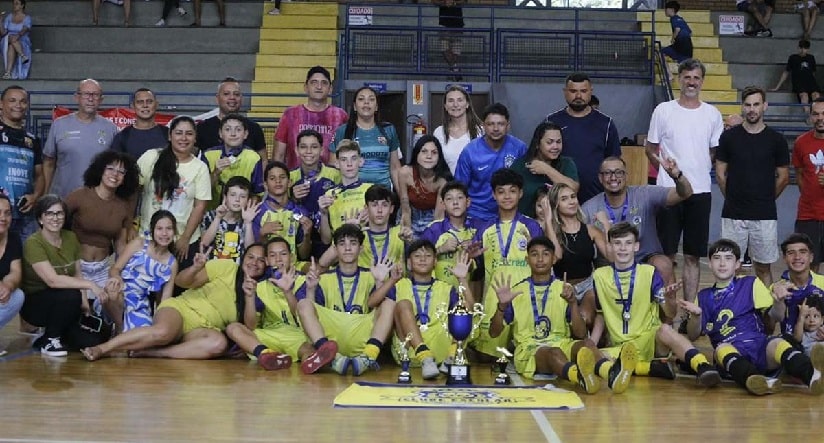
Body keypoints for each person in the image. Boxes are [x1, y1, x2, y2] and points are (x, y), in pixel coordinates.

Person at [490, 236, 637, 393]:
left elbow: (580, 334)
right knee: (554, 353)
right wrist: (501, 307)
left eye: (545, 254)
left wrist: (573, 303)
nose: (540, 259)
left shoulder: (564, 290)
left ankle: (611, 373)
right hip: (530, 349)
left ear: (554, 259)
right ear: (527, 259)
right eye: (534, 254)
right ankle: (581, 377)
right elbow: (494, 332)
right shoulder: (517, 292)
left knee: (587, 344)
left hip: (561, 343)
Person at [680, 239, 824, 396]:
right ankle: (756, 380)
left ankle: (813, 376)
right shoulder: (703, 296)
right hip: (732, 350)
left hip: (759, 345)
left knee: (778, 343)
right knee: (721, 349)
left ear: (737, 264)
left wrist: (778, 302)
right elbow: (693, 335)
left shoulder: (751, 283)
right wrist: (696, 316)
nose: (722, 263)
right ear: (709, 263)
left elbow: (776, 316)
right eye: (717, 258)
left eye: (728, 258)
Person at [81, 243, 267, 361]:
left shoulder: (263, 290)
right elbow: (181, 282)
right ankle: (102, 348)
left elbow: (249, 326)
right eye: (251, 257)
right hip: (181, 310)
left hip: (204, 328)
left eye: (260, 260)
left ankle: (154, 353)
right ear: (243, 258)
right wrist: (195, 268)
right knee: (163, 332)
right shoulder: (227, 268)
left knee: (218, 344)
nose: (254, 262)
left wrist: (250, 296)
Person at [593, 222, 721, 386]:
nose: (623, 248)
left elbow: (670, 313)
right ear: (610, 247)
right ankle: (650, 369)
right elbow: (600, 313)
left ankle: (702, 365)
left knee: (665, 329)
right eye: (617, 243)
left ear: (636, 246)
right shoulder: (599, 276)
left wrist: (669, 299)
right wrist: (592, 343)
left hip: (651, 342)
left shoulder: (649, 272)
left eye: (628, 243)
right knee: (590, 355)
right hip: (622, 347)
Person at [646, 58, 723, 308]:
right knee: (666, 255)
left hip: (700, 192)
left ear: (702, 81)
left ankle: (690, 311)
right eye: (687, 77)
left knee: (692, 256)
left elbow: (713, 152)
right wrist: (667, 174)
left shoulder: (712, 114)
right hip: (668, 193)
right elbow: (650, 149)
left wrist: (696, 170)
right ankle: (667, 309)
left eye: (696, 78)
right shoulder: (663, 110)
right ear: (679, 79)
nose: (691, 82)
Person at [223, 237, 338, 373]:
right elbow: (251, 325)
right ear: (266, 260)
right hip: (271, 335)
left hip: (298, 334)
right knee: (233, 328)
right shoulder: (259, 287)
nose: (278, 259)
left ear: (291, 257)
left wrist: (288, 291)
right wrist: (249, 296)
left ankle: (314, 361)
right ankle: (266, 354)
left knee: (307, 350)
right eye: (272, 255)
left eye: (283, 254)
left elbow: (302, 318)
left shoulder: (304, 281)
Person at [296, 224, 397, 375]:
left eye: (353, 243)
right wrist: (311, 289)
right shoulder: (321, 278)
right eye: (342, 244)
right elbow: (309, 315)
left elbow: (384, 312)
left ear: (361, 249)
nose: (348, 248)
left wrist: (379, 283)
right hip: (331, 338)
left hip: (362, 335)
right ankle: (330, 356)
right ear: (335, 250)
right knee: (304, 304)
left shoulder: (374, 274)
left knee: (389, 304)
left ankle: (368, 356)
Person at [716, 86, 790, 287]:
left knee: (764, 268)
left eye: (756, 104)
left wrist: (765, 198)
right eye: (747, 105)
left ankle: (765, 315)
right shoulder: (729, 138)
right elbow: (720, 173)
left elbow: (783, 177)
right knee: (730, 267)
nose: (752, 109)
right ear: (742, 107)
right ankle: (730, 313)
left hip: (764, 214)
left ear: (764, 106)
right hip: (733, 213)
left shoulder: (776, 140)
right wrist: (731, 196)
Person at [581, 156, 691, 287]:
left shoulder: (645, 194)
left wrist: (677, 176)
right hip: (609, 265)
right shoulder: (589, 208)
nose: (613, 177)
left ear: (626, 175)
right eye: (607, 173)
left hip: (645, 259)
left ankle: (667, 306)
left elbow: (685, 193)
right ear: (600, 178)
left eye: (619, 172)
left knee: (664, 264)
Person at [21, 195, 105, 357]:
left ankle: (48, 338)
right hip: (35, 303)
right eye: (49, 214)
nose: (55, 218)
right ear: (40, 219)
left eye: (59, 213)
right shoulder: (33, 243)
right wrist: (90, 285)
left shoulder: (70, 237)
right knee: (70, 295)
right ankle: (50, 339)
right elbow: (52, 281)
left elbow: (77, 273)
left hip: (64, 301)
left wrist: (84, 302)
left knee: (94, 340)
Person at [473, 168, 543, 359]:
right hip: (495, 298)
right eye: (501, 191)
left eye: (512, 191)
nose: (507, 196)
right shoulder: (484, 229)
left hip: (526, 298)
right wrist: (472, 258)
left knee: (532, 354)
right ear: (494, 195)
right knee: (487, 358)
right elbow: (476, 272)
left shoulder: (531, 226)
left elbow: (543, 263)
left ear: (520, 193)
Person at [380, 239, 472, 379]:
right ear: (409, 263)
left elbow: (471, 309)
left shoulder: (446, 288)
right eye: (417, 256)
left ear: (435, 262)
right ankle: (425, 356)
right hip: (409, 352)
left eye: (428, 256)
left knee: (463, 309)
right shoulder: (398, 285)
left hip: (443, 354)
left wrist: (462, 279)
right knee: (403, 304)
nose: (423, 259)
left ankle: (452, 357)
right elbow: (372, 303)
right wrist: (385, 281)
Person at [65, 150, 140, 315]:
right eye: (111, 169)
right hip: (76, 266)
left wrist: (119, 273)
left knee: (117, 300)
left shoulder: (123, 207)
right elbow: (56, 223)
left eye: (121, 172)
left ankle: (120, 335)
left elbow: (120, 245)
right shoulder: (79, 196)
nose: (115, 174)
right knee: (75, 310)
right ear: (101, 170)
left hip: (102, 269)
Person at [137, 116, 211, 269]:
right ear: (170, 136)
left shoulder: (200, 167)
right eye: (179, 133)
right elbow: (132, 192)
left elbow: (200, 206)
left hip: (183, 241)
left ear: (195, 138)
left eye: (189, 134)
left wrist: (184, 238)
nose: (184, 138)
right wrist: (129, 225)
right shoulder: (151, 157)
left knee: (179, 289)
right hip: (148, 237)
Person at [547, 182, 610, 343]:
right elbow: (557, 257)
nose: (571, 201)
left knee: (585, 317)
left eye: (573, 197)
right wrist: (548, 222)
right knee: (566, 326)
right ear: (556, 205)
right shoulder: (553, 232)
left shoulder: (590, 230)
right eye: (564, 199)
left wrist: (606, 226)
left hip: (587, 284)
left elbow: (612, 257)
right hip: (562, 285)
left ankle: (592, 344)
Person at [545, 73, 621, 203]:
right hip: (560, 197)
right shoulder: (551, 122)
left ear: (591, 92)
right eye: (573, 91)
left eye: (583, 91)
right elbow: (542, 158)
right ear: (565, 92)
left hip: (597, 198)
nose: (578, 96)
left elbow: (614, 162)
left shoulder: (606, 123)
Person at [101, 210, 177, 334]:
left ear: (174, 231)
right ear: (152, 230)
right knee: (112, 292)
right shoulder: (139, 244)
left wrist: (160, 323)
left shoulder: (172, 263)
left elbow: (165, 300)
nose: (164, 233)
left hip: (139, 303)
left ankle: (125, 333)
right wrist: (117, 279)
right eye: (159, 228)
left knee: (141, 338)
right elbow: (115, 269)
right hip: (120, 290)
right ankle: (120, 329)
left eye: (169, 229)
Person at [44, 79, 118, 199]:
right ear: (76, 97)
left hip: (96, 201)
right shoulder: (59, 125)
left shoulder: (111, 129)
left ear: (101, 99)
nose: (90, 98)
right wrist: (46, 194)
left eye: (95, 95)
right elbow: (48, 163)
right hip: (62, 200)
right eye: (86, 94)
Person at [454, 103, 527, 220]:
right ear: (483, 126)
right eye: (490, 124)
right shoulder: (470, 151)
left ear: (508, 125)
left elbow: (525, 183)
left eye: (501, 124)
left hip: (511, 215)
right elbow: (459, 189)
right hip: (476, 215)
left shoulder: (519, 148)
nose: (496, 128)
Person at [274, 66, 348, 169]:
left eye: (324, 83)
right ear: (306, 87)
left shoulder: (341, 116)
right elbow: (279, 155)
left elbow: (348, 151)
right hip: (295, 180)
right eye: (314, 82)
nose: (319, 87)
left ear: (330, 89)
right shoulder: (290, 114)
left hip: (331, 181)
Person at [330, 86, 401, 190]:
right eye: (361, 99)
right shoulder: (342, 131)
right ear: (354, 106)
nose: (366, 102)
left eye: (371, 99)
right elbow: (333, 166)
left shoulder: (389, 130)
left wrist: (404, 200)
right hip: (352, 194)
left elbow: (395, 167)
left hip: (383, 195)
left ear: (376, 107)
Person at [510, 121, 579, 218]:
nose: (555, 146)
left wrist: (547, 170)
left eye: (558, 142)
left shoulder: (566, 163)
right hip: (525, 225)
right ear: (537, 144)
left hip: (559, 226)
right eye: (549, 142)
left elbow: (573, 189)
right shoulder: (520, 165)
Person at [290, 129, 341, 259]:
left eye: (314, 147)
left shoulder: (335, 175)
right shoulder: (289, 178)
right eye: (303, 147)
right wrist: (292, 197)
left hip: (328, 237)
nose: (308, 151)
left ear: (322, 150)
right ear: (296, 150)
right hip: (300, 238)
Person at [421, 181, 484, 289]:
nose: (455, 202)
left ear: (468, 202)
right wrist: (440, 249)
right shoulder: (434, 229)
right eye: (449, 199)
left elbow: (485, 268)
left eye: (460, 198)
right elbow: (419, 261)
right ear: (443, 204)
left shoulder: (479, 228)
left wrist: (472, 256)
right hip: (438, 292)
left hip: (468, 292)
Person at [0, 85, 43, 241]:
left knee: (26, 262)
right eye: (12, 100)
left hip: (24, 214)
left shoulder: (32, 139)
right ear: (1, 104)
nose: (18, 105)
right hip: (1, 212)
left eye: (23, 101)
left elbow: (39, 175)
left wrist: (35, 196)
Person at [251, 161, 312, 262]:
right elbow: (254, 255)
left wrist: (307, 235)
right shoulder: (256, 212)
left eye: (282, 177)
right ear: (265, 185)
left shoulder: (301, 213)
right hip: (267, 270)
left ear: (289, 182)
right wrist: (262, 235)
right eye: (272, 178)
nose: (278, 181)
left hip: (293, 268)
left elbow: (304, 255)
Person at [203, 113, 265, 209]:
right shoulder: (208, 155)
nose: (233, 134)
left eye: (238, 129)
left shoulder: (253, 158)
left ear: (245, 134)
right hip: (211, 211)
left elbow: (258, 194)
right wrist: (215, 173)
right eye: (227, 129)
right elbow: (201, 191)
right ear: (220, 134)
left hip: (241, 214)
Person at [196, 78, 266, 161]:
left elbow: (263, 160)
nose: (232, 97)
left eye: (236, 94)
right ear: (217, 98)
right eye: (226, 94)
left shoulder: (254, 128)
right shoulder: (202, 128)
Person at [770, 233, 824, 342]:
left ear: (811, 257)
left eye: (803, 252)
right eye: (791, 253)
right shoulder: (778, 287)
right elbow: (770, 326)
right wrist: (778, 302)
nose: (797, 257)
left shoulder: (822, 283)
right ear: (784, 258)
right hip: (791, 344)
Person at [318, 139, 372, 245]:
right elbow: (326, 240)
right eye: (344, 160)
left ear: (361, 161)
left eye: (353, 158)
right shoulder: (328, 196)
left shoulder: (371, 190)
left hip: (367, 253)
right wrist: (323, 214)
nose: (349, 164)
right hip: (338, 254)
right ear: (337, 164)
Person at [398, 135, 452, 239]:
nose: (429, 156)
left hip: (431, 217)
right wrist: (407, 231)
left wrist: (435, 237)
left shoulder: (442, 180)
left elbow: (438, 216)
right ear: (416, 154)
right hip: (409, 215)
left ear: (439, 157)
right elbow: (405, 209)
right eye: (424, 151)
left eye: (434, 152)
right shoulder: (404, 172)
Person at [792, 99, 824, 272]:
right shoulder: (801, 142)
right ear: (811, 116)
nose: (820, 118)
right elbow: (799, 174)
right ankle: (812, 299)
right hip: (808, 216)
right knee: (809, 267)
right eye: (816, 114)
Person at [200, 176, 258, 263]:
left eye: (242, 196)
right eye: (233, 195)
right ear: (225, 197)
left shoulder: (249, 219)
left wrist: (248, 223)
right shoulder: (210, 216)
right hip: (211, 269)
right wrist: (218, 218)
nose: (237, 200)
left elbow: (251, 252)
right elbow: (204, 243)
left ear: (248, 200)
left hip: (237, 272)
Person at [432, 85, 483, 175]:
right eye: (451, 101)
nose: (455, 104)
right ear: (445, 106)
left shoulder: (481, 131)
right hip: (448, 186)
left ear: (467, 104)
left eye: (460, 100)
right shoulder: (439, 132)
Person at [111, 88, 169, 160]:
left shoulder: (168, 134)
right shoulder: (122, 137)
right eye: (140, 102)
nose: (145, 105)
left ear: (156, 105)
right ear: (133, 106)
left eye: (149, 101)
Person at [0, 194, 24, 355]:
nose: (3, 217)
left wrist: (8, 285)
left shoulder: (14, 238)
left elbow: (16, 271)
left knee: (17, 295)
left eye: (7, 213)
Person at [770, 40, 820, 116]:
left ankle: (817, 114)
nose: (803, 50)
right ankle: (807, 116)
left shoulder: (811, 58)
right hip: (799, 82)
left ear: (808, 49)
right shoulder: (793, 58)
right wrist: (777, 87)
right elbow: (786, 72)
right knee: (804, 95)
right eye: (801, 48)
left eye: (805, 48)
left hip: (810, 81)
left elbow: (813, 72)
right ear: (798, 48)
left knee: (816, 95)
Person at [0, 0, 31, 80]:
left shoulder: (27, 18)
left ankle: (8, 73)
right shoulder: (9, 16)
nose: (14, 5)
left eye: (17, 4)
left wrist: (17, 35)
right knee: (10, 37)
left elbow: (24, 30)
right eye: (13, 4)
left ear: (22, 6)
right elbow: (3, 33)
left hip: (21, 39)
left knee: (11, 46)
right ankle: (23, 55)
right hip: (8, 39)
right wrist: (0, 21)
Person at [434, 0, 465, 80]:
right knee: (444, 49)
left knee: (456, 51)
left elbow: (465, 1)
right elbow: (434, 1)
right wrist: (444, 3)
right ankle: (455, 69)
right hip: (444, 24)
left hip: (458, 24)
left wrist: (454, 2)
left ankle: (452, 70)